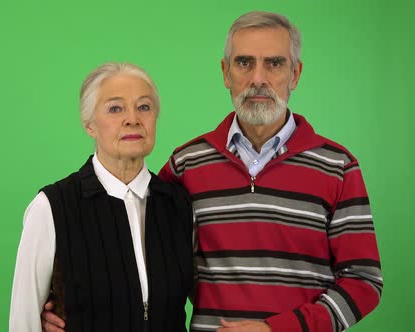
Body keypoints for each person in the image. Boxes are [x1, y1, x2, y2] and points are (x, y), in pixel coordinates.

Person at [40, 11, 383, 332]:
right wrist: (70, 306)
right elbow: (136, 255)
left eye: (274, 64)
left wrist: (277, 329)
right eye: (244, 63)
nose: (258, 79)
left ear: (295, 74)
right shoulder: (186, 165)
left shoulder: (337, 167)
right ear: (225, 73)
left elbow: (364, 282)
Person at [9, 62, 194, 332]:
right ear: (89, 125)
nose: (133, 119)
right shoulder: (52, 207)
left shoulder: (178, 203)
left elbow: (207, 296)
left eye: (144, 107)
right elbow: (23, 322)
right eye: (115, 108)